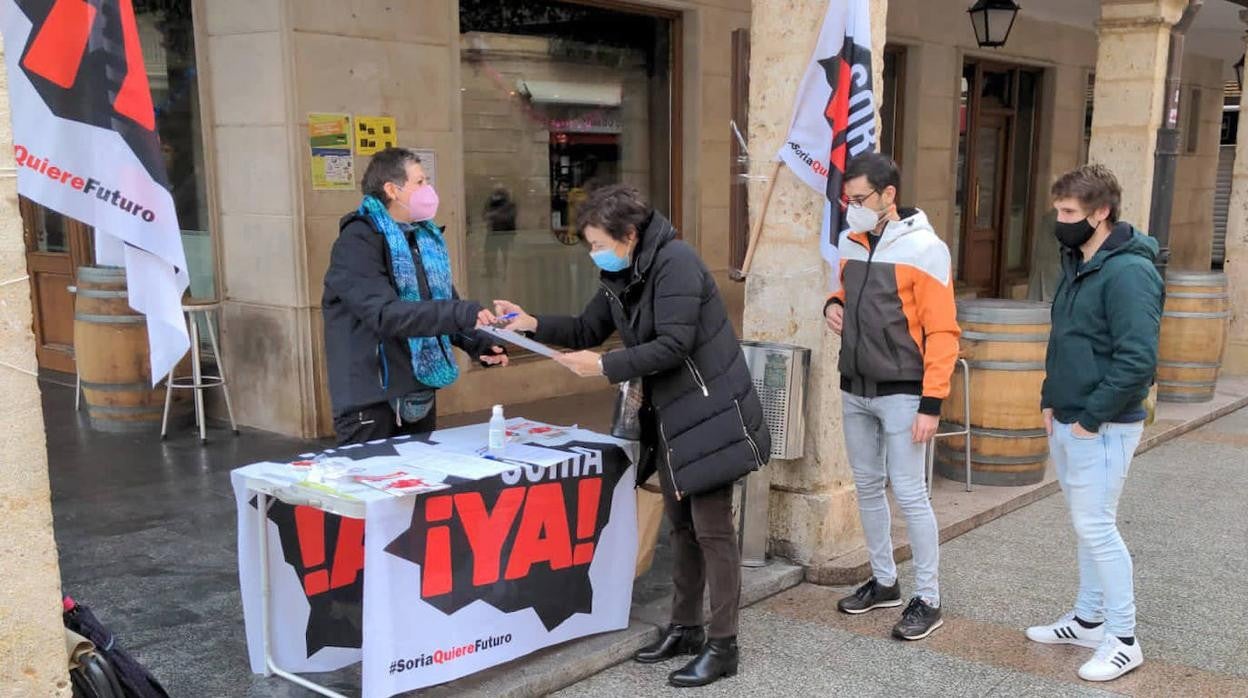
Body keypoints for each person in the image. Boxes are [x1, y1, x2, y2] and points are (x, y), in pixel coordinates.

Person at [496, 184, 770, 688]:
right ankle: (685, 628)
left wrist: (605, 366)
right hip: (669, 417)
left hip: (709, 413)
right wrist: (531, 323)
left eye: (598, 243)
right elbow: (585, 328)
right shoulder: (623, 272)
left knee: (712, 531)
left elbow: (674, 344)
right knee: (682, 527)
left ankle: (723, 645)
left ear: (629, 234)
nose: (594, 253)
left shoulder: (676, 263)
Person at [1025, 164, 1163, 682]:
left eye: (1069, 212)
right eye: (1058, 210)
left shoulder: (1129, 272)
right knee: (1088, 525)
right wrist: (1051, 398)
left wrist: (1090, 418)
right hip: (1070, 415)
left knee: (1098, 528)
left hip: (1102, 424)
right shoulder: (1080, 262)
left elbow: (1138, 359)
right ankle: (1088, 620)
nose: (1059, 221)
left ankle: (1123, 639)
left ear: (1101, 212)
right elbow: (1065, 338)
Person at [823, 152, 960, 641]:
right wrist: (833, 303)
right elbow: (848, 291)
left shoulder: (926, 249)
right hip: (855, 385)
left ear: (888, 195)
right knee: (866, 487)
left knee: (910, 493)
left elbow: (943, 332)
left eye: (860, 199)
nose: (852, 207)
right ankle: (884, 582)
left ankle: (929, 598)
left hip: (904, 393)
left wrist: (931, 403)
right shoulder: (850, 241)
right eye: (847, 200)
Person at [323, 147, 507, 446]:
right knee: (376, 475)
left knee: (422, 475)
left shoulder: (421, 238)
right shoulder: (357, 242)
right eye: (420, 182)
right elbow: (385, 314)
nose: (428, 189)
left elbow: (440, 305)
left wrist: (479, 343)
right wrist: (460, 312)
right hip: (372, 398)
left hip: (418, 389)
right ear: (392, 190)